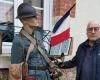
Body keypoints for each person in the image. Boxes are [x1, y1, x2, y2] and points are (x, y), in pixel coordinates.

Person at [9, 3, 51, 80]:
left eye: (36, 16)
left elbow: (43, 53)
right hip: (33, 76)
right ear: (23, 20)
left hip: (46, 75)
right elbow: (15, 70)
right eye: (33, 16)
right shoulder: (18, 40)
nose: (36, 18)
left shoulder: (38, 34)